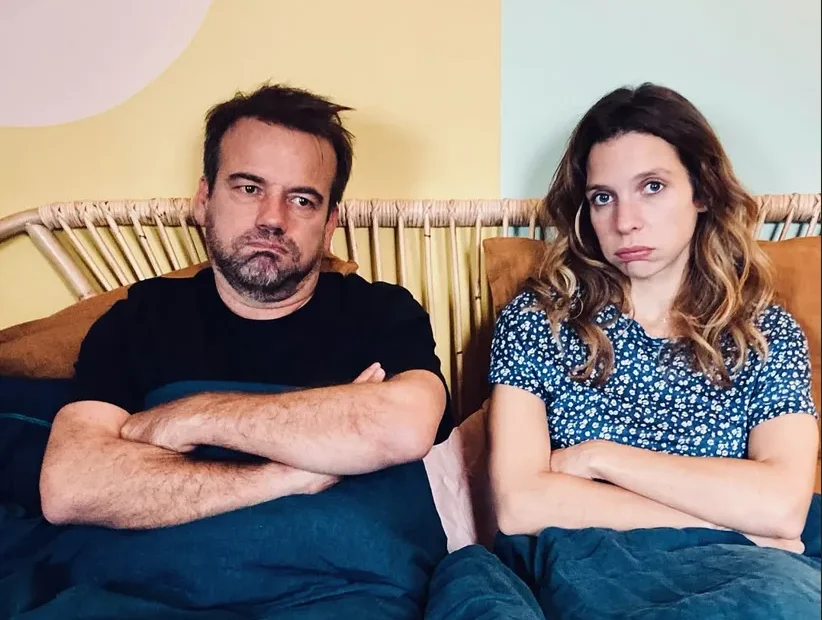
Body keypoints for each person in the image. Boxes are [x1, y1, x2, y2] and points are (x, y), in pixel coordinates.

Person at [39, 83, 453, 529]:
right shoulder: (140, 319)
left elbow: (406, 428)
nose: (273, 218)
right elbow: (70, 487)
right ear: (204, 200)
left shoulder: (381, 312)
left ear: (330, 221)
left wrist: (191, 418)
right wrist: (283, 476)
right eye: (249, 188)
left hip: (344, 572)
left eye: (302, 200)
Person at [487, 83, 819, 552]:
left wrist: (599, 458)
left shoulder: (763, 333)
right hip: (586, 565)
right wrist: (737, 530)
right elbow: (519, 505)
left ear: (702, 192)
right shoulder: (540, 319)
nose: (625, 222)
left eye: (652, 187)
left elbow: (782, 506)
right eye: (603, 198)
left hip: (739, 571)